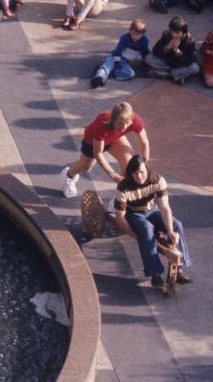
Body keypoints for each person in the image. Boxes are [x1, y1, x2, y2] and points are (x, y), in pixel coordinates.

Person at [113, 155, 193, 290]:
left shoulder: (157, 180)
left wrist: (170, 231)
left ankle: (178, 269)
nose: (139, 176)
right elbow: (120, 218)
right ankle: (155, 273)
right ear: (130, 174)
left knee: (177, 225)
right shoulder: (123, 187)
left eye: (142, 172)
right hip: (134, 214)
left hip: (152, 210)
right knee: (146, 228)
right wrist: (136, 236)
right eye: (135, 173)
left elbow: (165, 207)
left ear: (147, 170)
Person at [61, 102, 151, 196]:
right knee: (85, 167)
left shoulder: (135, 120)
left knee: (129, 165)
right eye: (120, 123)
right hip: (92, 142)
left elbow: (145, 144)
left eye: (127, 123)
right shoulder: (102, 123)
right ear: (113, 120)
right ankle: (68, 175)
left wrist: (144, 166)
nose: (124, 127)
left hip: (115, 138)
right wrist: (112, 173)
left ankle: (120, 197)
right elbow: (98, 153)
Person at [91, 19, 150, 88]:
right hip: (116, 56)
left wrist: (144, 60)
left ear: (143, 34)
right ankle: (98, 78)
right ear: (130, 31)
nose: (135, 37)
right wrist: (117, 63)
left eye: (138, 35)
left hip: (125, 61)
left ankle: (105, 72)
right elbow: (117, 52)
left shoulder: (145, 40)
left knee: (130, 74)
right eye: (133, 34)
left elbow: (145, 51)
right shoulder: (125, 38)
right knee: (108, 66)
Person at [146, 14, 200, 84]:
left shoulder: (190, 41)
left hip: (179, 64)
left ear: (184, 32)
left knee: (195, 68)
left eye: (177, 32)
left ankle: (166, 74)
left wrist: (177, 51)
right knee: (148, 58)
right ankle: (177, 75)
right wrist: (167, 47)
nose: (174, 35)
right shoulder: (166, 34)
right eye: (172, 31)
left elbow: (189, 61)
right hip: (167, 62)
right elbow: (155, 50)